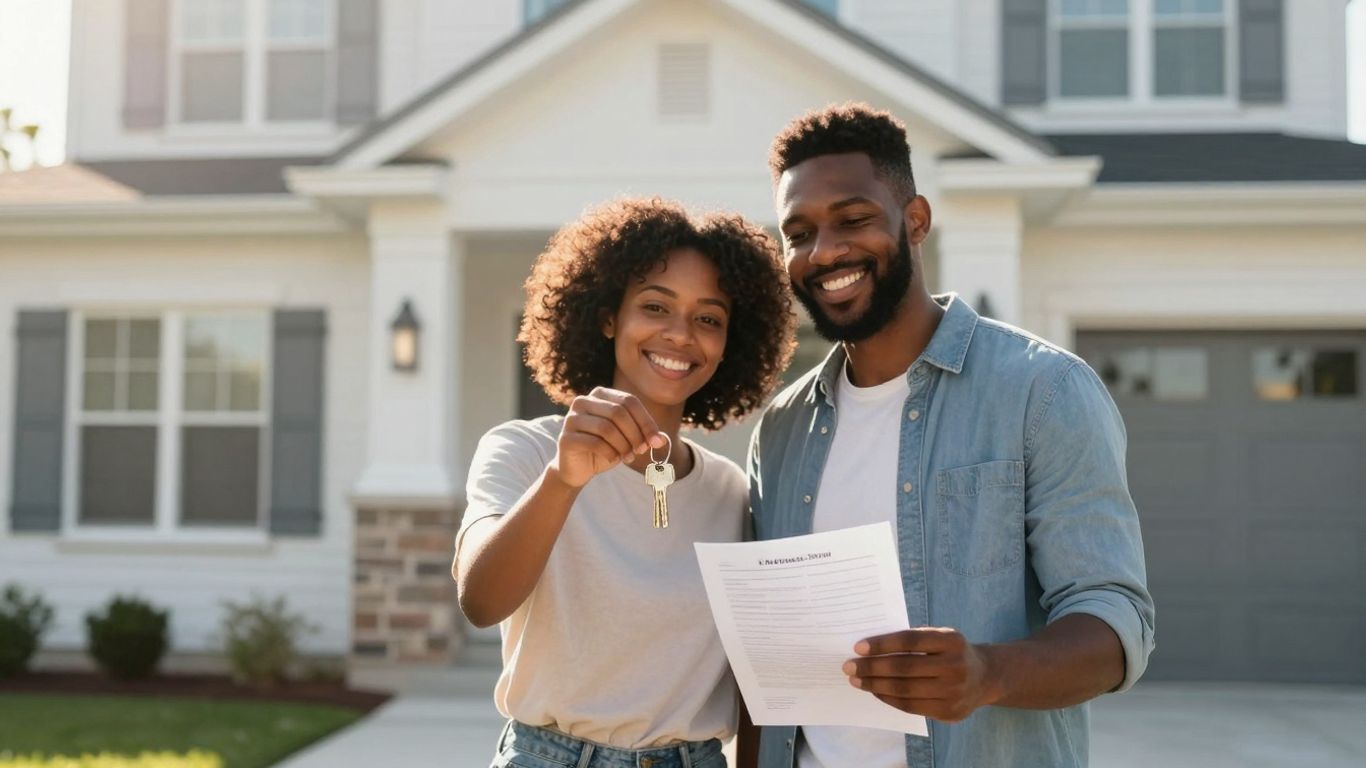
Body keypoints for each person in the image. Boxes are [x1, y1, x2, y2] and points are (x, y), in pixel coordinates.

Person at [745, 103, 1155, 768]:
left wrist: (988, 673)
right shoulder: (785, 427)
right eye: (799, 233)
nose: (824, 253)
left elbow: (1115, 622)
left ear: (915, 222)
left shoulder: (1042, 390)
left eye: (852, 220)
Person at [454, 198, 794, 768]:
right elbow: (481, 600)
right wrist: (563, 482)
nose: (680, 335)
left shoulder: (732, 493)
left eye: (708, 318)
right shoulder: (525, 450)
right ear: (610, 316)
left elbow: (749, 674)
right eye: (656, 306)